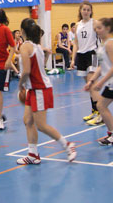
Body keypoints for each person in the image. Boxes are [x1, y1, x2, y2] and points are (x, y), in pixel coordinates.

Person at [15, 18, 76, 165]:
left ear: (22, 31)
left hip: (39, 89)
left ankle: (67, 145)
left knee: (41, 125)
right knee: (27, 121)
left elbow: (27, 71)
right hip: (34, 88)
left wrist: (20, 85)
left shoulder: (25, 47)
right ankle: (33, 154)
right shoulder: (36, 46)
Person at [70, 1, 100, 125]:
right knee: (88, 86)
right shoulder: (77, 25)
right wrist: (73, 59)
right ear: (80, 11)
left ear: (91, 11)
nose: (86, 11)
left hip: (92, 54)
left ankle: (100, 114)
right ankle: (94, 111)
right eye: (84, 9)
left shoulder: (95, 23)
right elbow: (76, 43)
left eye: (88, 9)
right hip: (81, 56)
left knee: (92, 84)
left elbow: (103, 37)